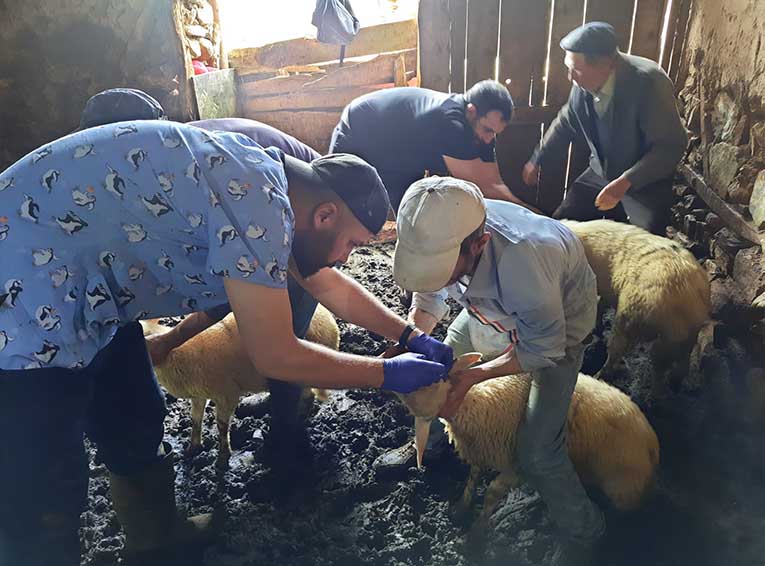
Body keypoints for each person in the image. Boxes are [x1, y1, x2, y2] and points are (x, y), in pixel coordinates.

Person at [0, 119, 454, 566]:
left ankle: (156, 538)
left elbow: (327, 285)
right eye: (352, 244)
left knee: (135, 414)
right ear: (326, 215)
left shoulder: (268, 186)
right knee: (43, 483)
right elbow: (274, 353)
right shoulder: (259, 204)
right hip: (24, 303)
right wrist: (386, 374)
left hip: (94, 297)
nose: (345, 258)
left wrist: (409, 334)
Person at [80, 90, 327, 454]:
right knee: (260, 338)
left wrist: (172, 339)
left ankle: (286, 433)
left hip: (302, 225)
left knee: (283, 336)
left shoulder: (220, 178)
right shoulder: (161, 169)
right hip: (272, 216)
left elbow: (234, 285)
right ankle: (269, 388)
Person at [393, 177, 605, 565]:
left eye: (441, 266)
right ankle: (427, 448)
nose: (431, 271)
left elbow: (541, 348)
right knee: (428, 371)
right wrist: (413, 339)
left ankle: (584, 530)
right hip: (483, 308)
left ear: (479, 244)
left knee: (539, 451)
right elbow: (429, 290)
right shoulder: (444, 222)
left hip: (555, 334)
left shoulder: (524, 261)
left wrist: (472, 376)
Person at [522, 22, 688, 235]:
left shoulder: (649, 83)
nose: (570, 78)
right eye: (568, 68)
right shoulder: (581, 85)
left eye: (576, 70)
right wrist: (539, 158)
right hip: (601, 172)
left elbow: (670, 146)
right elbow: (566, 121)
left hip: (644, 184)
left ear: (606, 64)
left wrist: (626, 181)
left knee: (643, 247)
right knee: (560, 228)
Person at [329, 80, 539, 212]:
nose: (489, 140)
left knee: (410, 213)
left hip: (401, 152)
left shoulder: (480, 130)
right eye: (488, 130)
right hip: (360, 130)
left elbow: (495, 183)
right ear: (472, 111)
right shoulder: (451, 125)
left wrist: (527, 213)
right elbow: (484, 188)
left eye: (495, 133)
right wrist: (534, 217)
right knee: (340, 207)